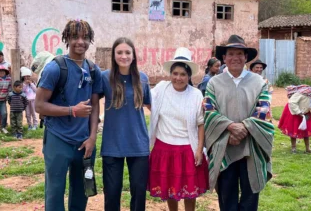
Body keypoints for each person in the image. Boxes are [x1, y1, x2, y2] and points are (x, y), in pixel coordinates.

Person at [35, 19, 102, 211]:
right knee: (55, 191)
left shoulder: (92, 69)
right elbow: (39, 105)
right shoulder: (55, 68)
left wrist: (92, 138)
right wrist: (72, 110)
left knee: (82, 190)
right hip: (58, 139)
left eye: (85, 37)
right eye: (75, 37)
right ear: (67, 38)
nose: (80, 41)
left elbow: (95, 104)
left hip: (84, 143)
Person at [204, 35, 274, 211]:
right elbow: (208, 110)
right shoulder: (214, 83)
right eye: (231, 53)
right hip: (224, 145)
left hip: (251, 145)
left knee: (250, 195)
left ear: (246, 58)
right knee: (226, 194)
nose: (235, 57)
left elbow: (263, 109)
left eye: (240, 54)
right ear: (224, 58)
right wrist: (229, 128)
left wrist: (244, 128)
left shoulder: (259, 82)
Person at [148, 47, 208, 211]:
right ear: (170, 74)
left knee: (190, 190)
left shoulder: (195, 94)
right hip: (164, 147)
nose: (178, 78)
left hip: (187, 148)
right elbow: (147, 101)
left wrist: (199, 148)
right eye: (175, 73)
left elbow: (200, 123)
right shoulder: (161, 88)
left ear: (189, 76)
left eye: (183, 74)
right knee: (169, 189)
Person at [101, 37, 151, 211]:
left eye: (127, 52)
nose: (124, 56)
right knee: (112, 192)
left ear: (134, 55)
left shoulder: (142, 79)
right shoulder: (104, 78)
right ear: (114, 55)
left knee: (138, 193)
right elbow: (91, 103)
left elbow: (153, 108)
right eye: (120, 52)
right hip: (112, 144)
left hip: (138, 144)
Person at [278, 73, 311, 154]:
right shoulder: (305, 92)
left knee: (307, 130)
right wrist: (298, 112)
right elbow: (292, 101)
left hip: (305, 113)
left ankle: (307, 148)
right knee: (294, 128)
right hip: (294, 110)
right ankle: (293, 148)